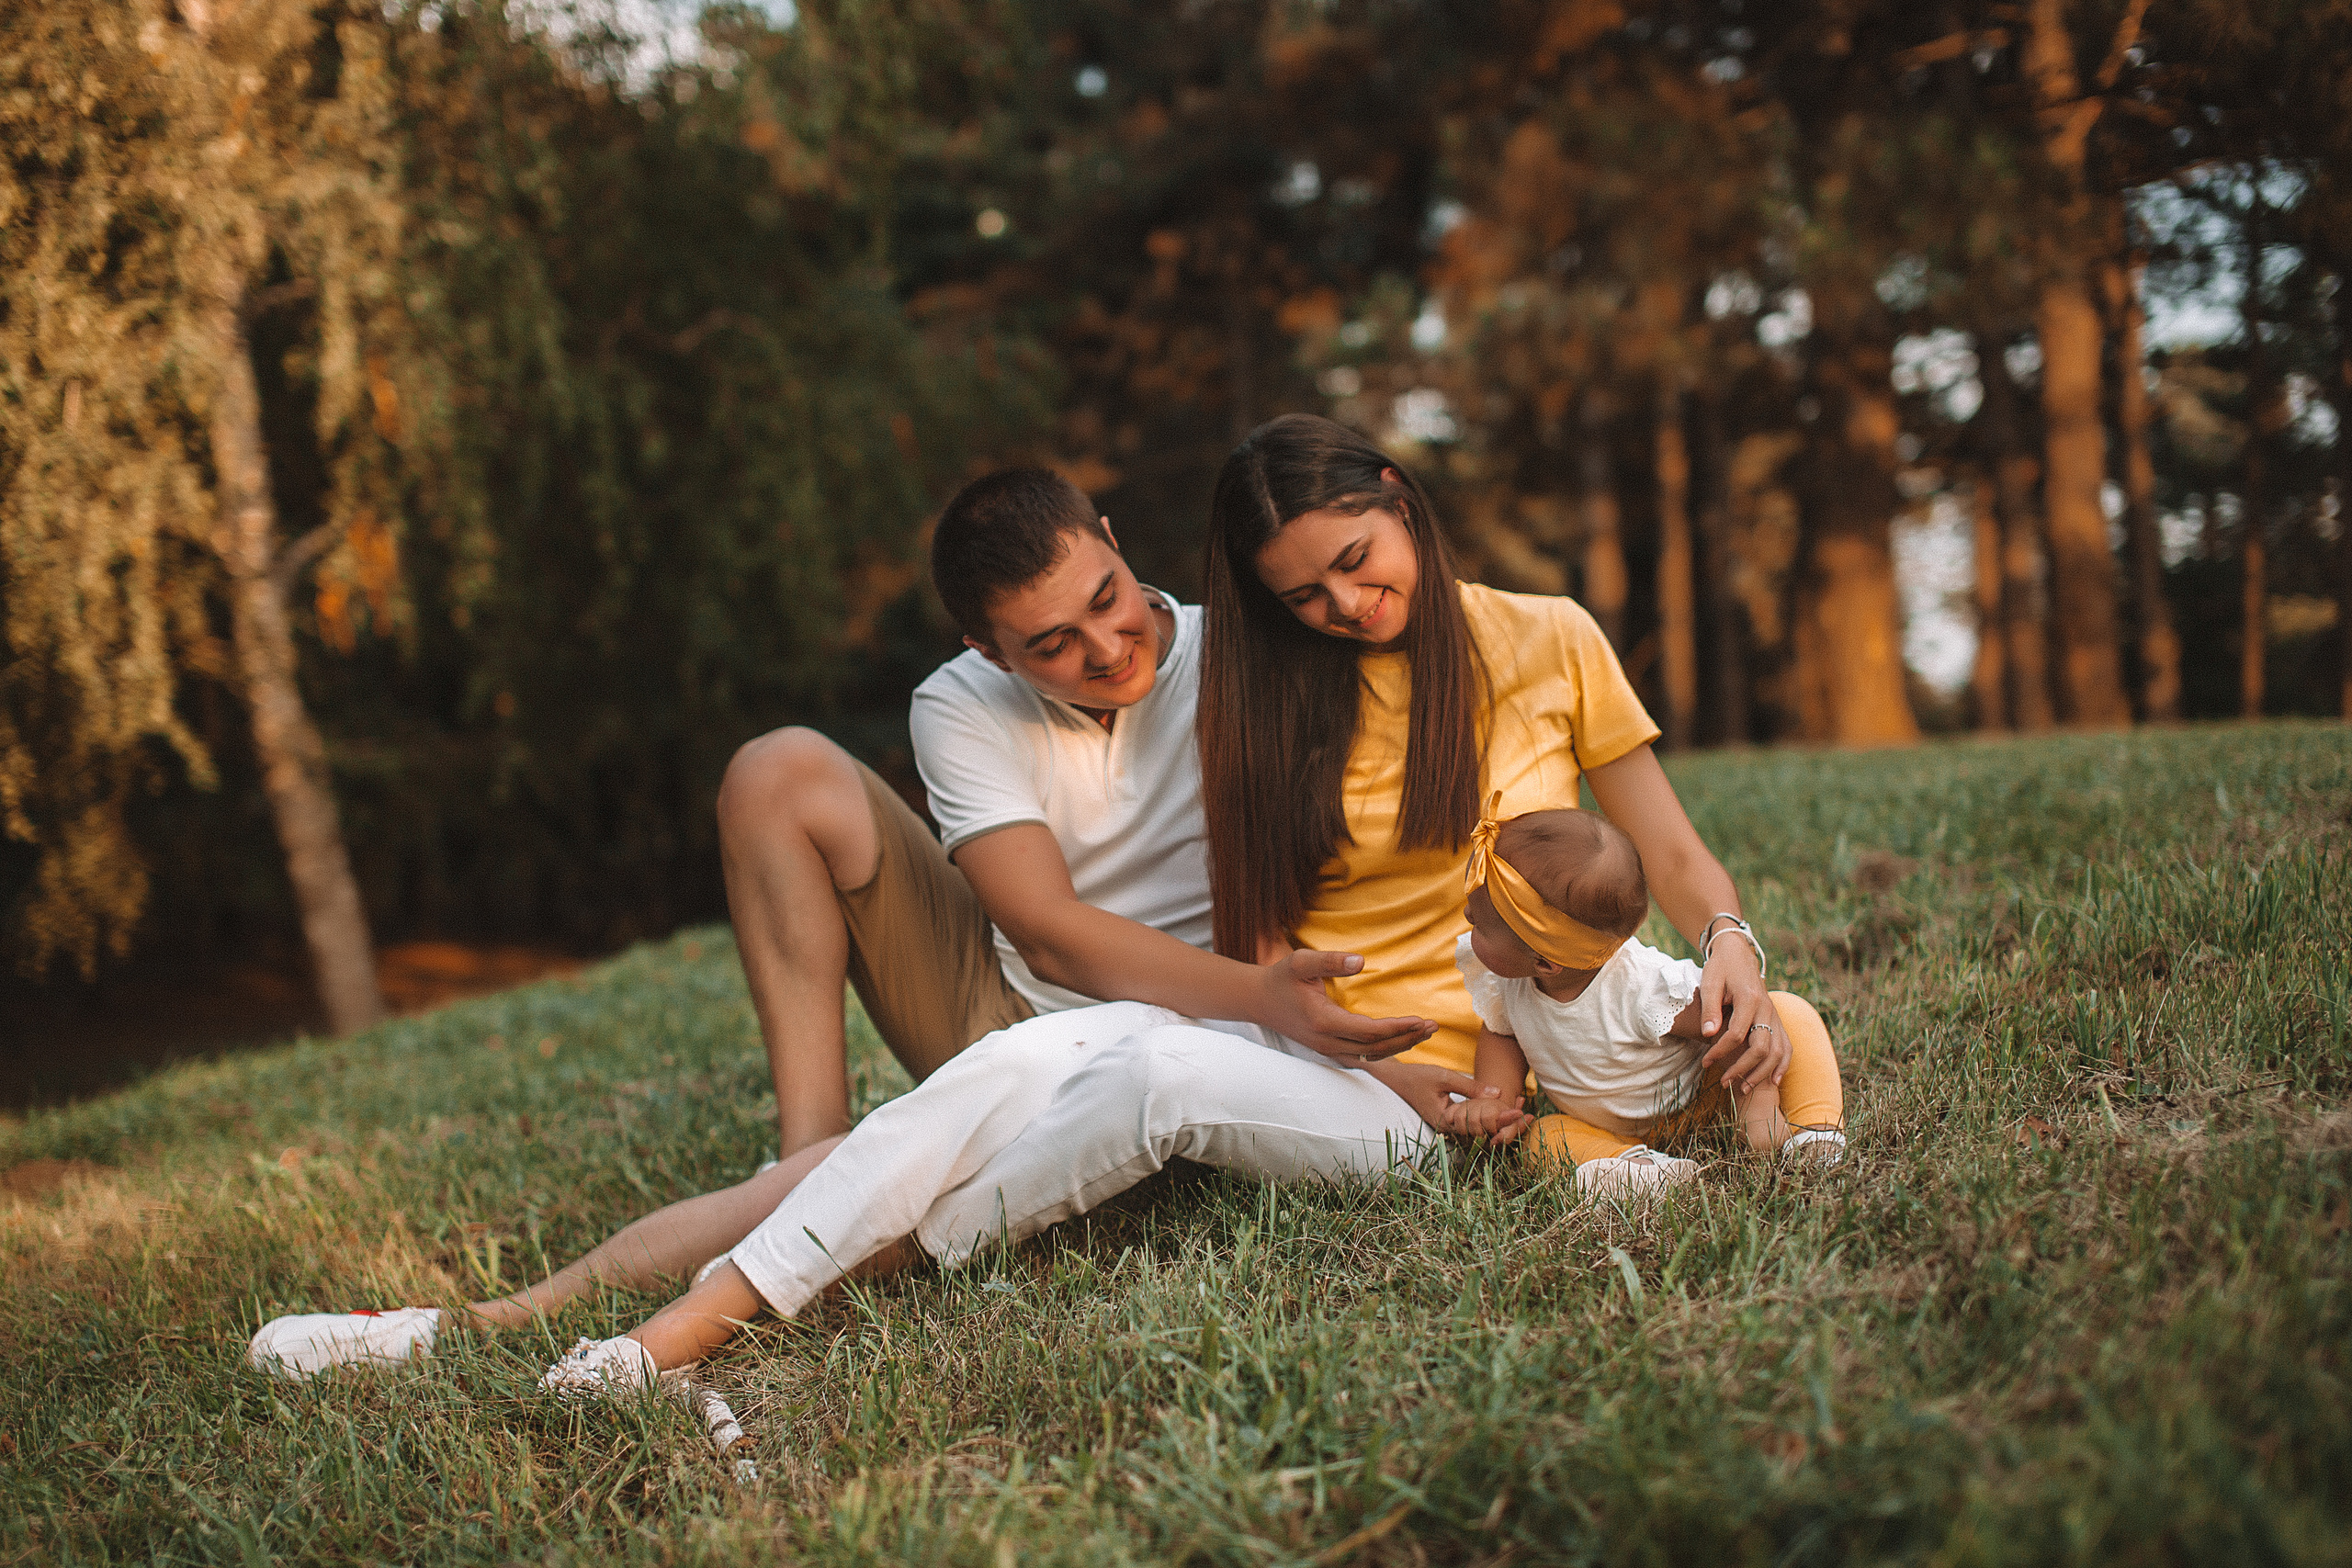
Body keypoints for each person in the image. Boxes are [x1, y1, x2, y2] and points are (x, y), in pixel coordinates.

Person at [248, 466, 1432, 1381]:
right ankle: (802, 1151)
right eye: (1049, 646)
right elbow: (1050, 932)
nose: (1103, 648)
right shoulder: (959, 703)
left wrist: (1277, 1002)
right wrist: (1268, 996)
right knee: (780, 769)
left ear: (1118, 549)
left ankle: (485, 1324)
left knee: (902, 1163)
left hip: (1190, 1030)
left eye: (1106, 603)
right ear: (984, 647)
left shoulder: (1241, 659)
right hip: (1009, 1004)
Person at [895, 412, 1809, 1264]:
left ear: (1396, 496)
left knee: (1785, 1031)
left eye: (1357, 558)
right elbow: (1256, 935)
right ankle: (884, 1245)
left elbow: (1675, 854)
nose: (1348, 603)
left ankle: (1800, 1147)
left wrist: (1729, 943)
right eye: (1303, 595)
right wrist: (1386, 1073)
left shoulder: (1551, 637)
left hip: (1565, 1046)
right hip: (1381, 1083)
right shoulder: (1267, 696)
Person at [1438, 799, 1848, 1192]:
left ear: (1546, 962)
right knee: (1544, 1137)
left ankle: (1815, 1132)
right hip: (1603, 1127)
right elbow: (1502, 1036)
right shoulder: (1506, 981)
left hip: (1706, 1099)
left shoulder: (1641, 987)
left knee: (1788, 1013)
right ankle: (1638, 1170)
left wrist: (1756, 1104)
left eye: (1481, 925)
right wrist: (1494, 1099)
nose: (1467, 917)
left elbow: (1729, 1021)